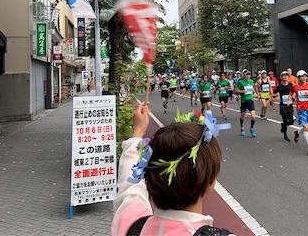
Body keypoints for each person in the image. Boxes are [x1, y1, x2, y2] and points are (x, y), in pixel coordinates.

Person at [111, 102, 232, 236]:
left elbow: (129, 187)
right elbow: (129, 185)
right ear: (210, 179)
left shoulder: (130, 225)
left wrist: (138, 132)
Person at [291, 70, 308, 155]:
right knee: (306, 128)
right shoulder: (295, 87)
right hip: (301, 109)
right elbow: (290, 93)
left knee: (307, 127)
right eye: (302, 76)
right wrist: (290, 99)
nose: (304, 78)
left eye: (305, 76)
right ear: (298, 78)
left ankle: (297, 133)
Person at [236, 69, 259, 137]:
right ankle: (242, 128)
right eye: (246, 75)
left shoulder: (251, 81)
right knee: (243, 116)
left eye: (249, 74)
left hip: (250, 101)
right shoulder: (241, 82)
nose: (248, 76)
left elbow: (254, 88)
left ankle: (251, 129)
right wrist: (243, 91)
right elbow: (237, 91)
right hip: (244, 101)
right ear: (244, 75)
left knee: (253, 116)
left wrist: (256, 93)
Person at [272, 71, 294, 142]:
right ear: (281, 77)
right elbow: (274, 93)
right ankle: (285, 135)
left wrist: (292, 97)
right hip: (283, 105)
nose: (285, 77)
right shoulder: (279, 86)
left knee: (291, 121)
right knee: (284, 117)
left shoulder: (291, 85)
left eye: (287, 75)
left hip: (290, 104)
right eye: (284, 76)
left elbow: (294, 93)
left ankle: (283, 125)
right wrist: (274, 96)